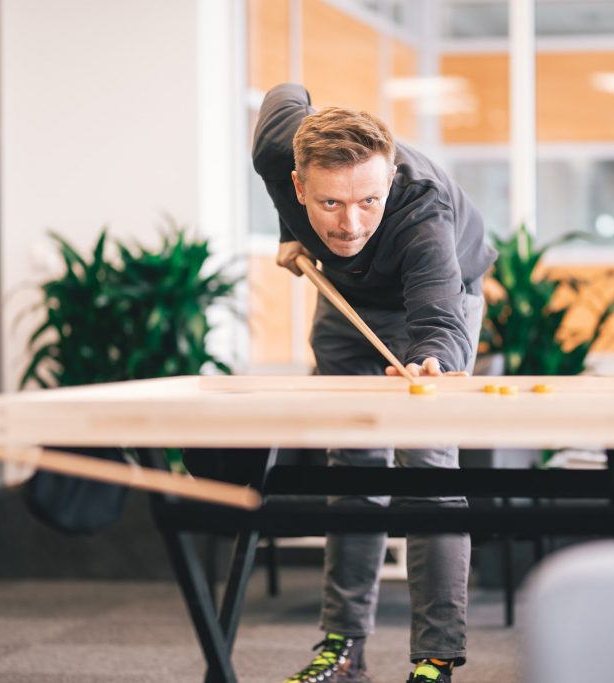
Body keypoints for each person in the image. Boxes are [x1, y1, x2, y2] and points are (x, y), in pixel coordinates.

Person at [251, 83, 496, 683]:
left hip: (438, 296)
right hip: (344, 300)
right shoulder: (274, 152)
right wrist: (293, 230)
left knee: (427, 466)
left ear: (388, 184)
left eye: (368, 200)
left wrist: (435, 360)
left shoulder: (421, 209)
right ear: (298, 183)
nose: (352, 222)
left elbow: (439, 316)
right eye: (330, 203)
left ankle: (435, 659)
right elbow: (288, 90)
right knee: (354, 469)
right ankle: (343, 648)